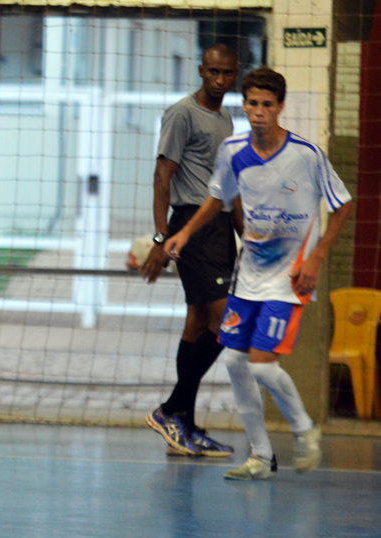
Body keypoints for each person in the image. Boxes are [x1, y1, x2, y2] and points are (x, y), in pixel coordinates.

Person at [164, 66, 353, 480]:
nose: (260, 111)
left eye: (268, 105)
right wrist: (183, 233)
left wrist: (316, 258)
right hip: (248, 275)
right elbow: (217, 199)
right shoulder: (233, 151)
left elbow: (342, 205)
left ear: (280, 107)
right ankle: (261, 456)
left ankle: (305, 430)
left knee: (263, 367)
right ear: (245, 105)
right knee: (234, 362)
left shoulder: (306, 154)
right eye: (253, 103)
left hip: (290, 278)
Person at [142, 44, 241, 457]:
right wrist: (162, 239)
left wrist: (244, 234)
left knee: (198, 324)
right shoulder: (182, 113)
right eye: (213, 72)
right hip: (191, 228)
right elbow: (163, 175)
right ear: (201, 71)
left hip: (219, 229)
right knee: (229, 328)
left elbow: (228, 188)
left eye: (226, 73)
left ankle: (185, 425)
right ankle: (171, 409)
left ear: (234, 75)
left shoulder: (227, 118)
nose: (219, 79)